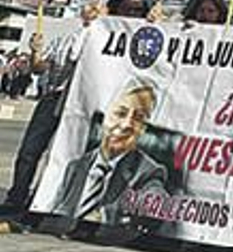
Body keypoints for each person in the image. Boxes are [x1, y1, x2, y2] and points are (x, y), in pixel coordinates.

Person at [2, 0, 107, 217]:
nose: (92, 10)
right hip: (53, 99)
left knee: (65, 156)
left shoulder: (106, 45)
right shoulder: (65, 39)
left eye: (98, 7)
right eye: (89, 6)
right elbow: (39, 68)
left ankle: (46, 203)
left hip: (81, 105)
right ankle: (17, 197)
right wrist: (35, 52)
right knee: (30, 151)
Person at [48, 81, 168, 228]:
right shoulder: (75, 166)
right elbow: (57, 209)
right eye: (120, 113)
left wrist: (105, 215)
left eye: (138, 118)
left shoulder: (148, 171)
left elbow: (157, 203)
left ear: (143, 129)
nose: (126, 125)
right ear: (105, 115)